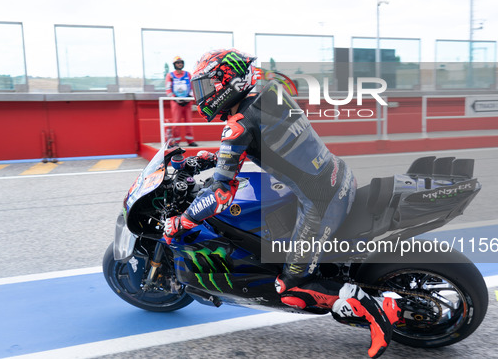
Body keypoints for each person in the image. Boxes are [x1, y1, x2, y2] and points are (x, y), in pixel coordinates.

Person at [162, 49, 400, 358]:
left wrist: (185, 221)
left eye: (207, 88)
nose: (201, 97)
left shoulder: (237, 126)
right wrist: (216, 156)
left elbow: (221, 194)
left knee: (289, 289)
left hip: (320, 203)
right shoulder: (271, 88)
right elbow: (266, 135)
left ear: (229, 83)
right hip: (338, 174)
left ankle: (376, 310)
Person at [165, 55, 198, 147]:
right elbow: (168, 90)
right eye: (177, 63)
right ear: (174, 64)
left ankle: (190, 141)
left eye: (181, 63)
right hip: (176, 103)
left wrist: (189, 97)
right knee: (176, 122)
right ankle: (176, 141)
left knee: (189, 122)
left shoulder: (188, 74)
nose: (179, 64)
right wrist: (176, 99)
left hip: (188, 102)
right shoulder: (170, 75)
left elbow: (192, 88)